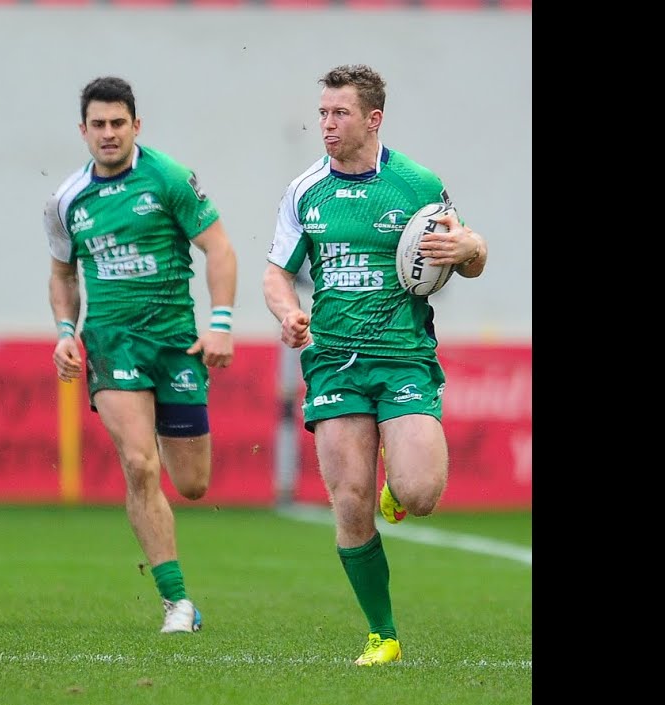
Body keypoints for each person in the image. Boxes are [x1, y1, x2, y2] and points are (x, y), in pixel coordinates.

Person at [262, 64, 489, 666]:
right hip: (333, 360)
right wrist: (288, 312)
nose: (327, 124)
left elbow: (467, 252)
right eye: (322, 113)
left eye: (339, 113)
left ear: (373, 118)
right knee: (349, 498)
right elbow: (277, 273)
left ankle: (399, 488)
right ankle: (382, 633)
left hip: (404, 358)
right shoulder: (304, 190)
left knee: (421, 494)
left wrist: (470, 248)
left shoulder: (417, 184)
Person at [43, 76, 237, 634]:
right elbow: (61, 274)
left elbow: (219, 248)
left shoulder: (170, 179)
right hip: (111, 342)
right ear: (83, 130)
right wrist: (64, 331)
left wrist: (220, 324)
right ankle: (177, 602)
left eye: (117, 123)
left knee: (192, 482)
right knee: (139, 463)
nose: (108, 134)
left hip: (176, 342)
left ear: (136, 126)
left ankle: (178, 594)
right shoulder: (65, 201)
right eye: (98, 125)